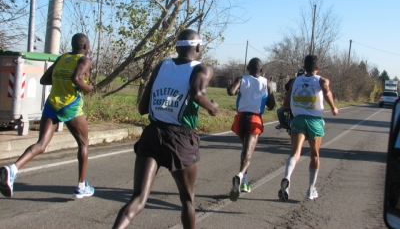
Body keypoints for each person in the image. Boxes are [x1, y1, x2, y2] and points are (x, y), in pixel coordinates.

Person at [112, 29, 219, 229]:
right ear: (197, 47)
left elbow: (142, 108)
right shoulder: (202, 68)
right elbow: (197, 93)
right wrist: (213, 108)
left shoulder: (162, 66)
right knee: (187, 199)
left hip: (152, 134)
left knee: (138, 198)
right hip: (180, 138)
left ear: (177, 47)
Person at [0, 33, 95, 199]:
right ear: (86, 47)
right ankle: (81, 186)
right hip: (70, 106)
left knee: (41, 144)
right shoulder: (85, 60)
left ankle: (12, 169)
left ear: (73, 46)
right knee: (83, 143)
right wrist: (87, 88)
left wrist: (62, 81)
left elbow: (44, 79)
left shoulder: (62, 58)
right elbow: (76, 78)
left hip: (52, 105)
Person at [278, 54, 338, 201]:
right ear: (317, 68)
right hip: (314, 121)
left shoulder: (296, 80)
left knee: (295, 153)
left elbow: (286, 104)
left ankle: (287, 177)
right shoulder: (321, 80)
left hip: (298, 120)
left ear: (303, 67)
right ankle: (311, 190)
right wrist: (333, 107)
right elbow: (326, 91)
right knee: (314, 155)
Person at [227, 58, 275, 201]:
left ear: (248, 68)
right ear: (261, 70)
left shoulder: (241, 79)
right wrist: (269, 92)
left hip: (241, 117)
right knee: (248, 153)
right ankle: (240, 176)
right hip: (254, 118)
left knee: (244, 150)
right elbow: (272, 105)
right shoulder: (266, 83)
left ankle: (245, 183)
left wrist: (230, 86)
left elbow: (231, 92)